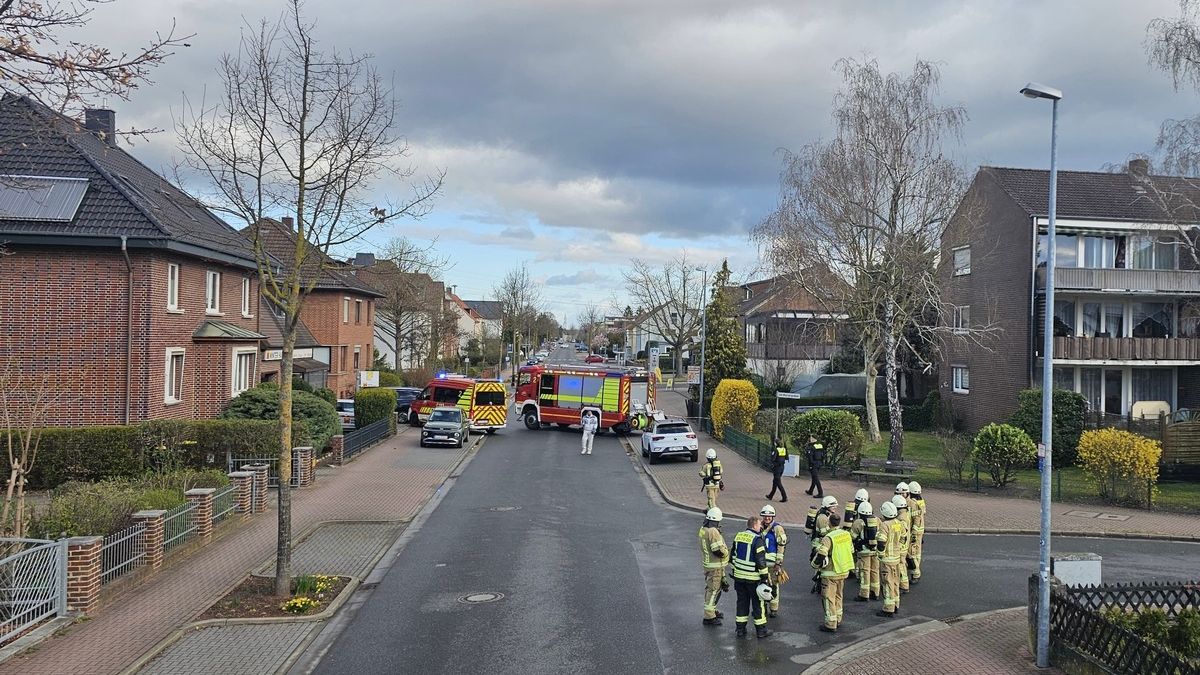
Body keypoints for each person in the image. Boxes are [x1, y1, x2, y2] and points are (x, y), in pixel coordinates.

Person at [730, 515, 772, 638]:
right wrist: (764, 577)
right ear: (754, 526)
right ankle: (761, 631)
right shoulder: (757, 539)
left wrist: (735, 571)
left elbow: (733, 556)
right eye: (759, 525)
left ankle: (740, 630)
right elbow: (761, 561)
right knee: (758, 604)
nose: (760, 527)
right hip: (753, 578)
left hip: (738, 577)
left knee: (742, 603)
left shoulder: (739, 536)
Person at [812, 512, 855, 632]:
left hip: (831, 572)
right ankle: (838, 618)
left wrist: (814, 565)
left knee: (828, 597)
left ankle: (830, 623)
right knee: (838, 596)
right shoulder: (846, 534)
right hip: (843, 571)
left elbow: (821, 555)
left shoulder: (828, 538)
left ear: (829, 523)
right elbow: (851, 550)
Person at [699, 507, 729, 626]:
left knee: (711, 589)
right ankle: (709, 617)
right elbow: (717, 550)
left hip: (709, 565)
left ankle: (712, 610)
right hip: (715, 566)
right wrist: (727, 553)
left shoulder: (703, 529)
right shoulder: (713, 531)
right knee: (713, 590)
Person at [876, 500, 904, 618]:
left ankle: (888, 608)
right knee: (895, 582)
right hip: (897, 558)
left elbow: (881, 543)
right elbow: (903, 538)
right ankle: (896, 605)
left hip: (887, 560)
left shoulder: (884, 525)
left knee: (887, 583)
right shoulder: (899, 523)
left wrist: (880, 554)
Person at [760, 505, 788, 617]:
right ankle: (762, 607)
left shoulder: (777, 528)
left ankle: (774, 608)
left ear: (772, 517)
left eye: (769, 516)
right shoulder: (759, 526)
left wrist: (778, 562)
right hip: (761, 563)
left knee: (774, 585)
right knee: (761, 585)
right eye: (765, 516)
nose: (767, 518)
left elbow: (781, 546)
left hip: (773, 564)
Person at [850, 501, 879, 602]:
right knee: (875, 571)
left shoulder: (858, 522)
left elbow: (852, 537)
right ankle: (875, 592)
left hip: (864, 552)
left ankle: (864, 594)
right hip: (875, 551)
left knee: (865, 572)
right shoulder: (877, 520)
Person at [892, 495, 912, 593]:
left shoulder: (901, 518)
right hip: (904, 545)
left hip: (901, 546)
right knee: (902, 564)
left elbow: (901, 532)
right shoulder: (905, 514)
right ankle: (904, 584)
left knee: (901, 565)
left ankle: (904, 586)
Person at [907, 481, 926, 583]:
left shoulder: (912, 503)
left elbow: (914, 517)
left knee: (912, 553)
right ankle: (916, 569)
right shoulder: (921, 501)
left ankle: (915, 572)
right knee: (917, 552)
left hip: (914, 530)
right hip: (920, 530)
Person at [765, 438, 788, 502]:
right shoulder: (783, 449)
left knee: (778, 482)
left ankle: (784, 497)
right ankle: (771, 495)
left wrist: (773, 464)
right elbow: (786, 458)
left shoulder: (775, 449)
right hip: (782, 467)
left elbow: (773, 459)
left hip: (777, 468)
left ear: (775, 443)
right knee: (775, 481)